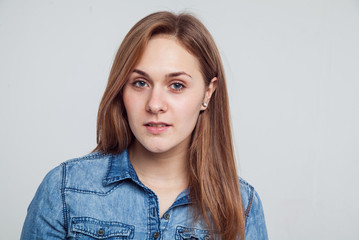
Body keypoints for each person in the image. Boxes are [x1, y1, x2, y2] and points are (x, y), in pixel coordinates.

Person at [21, 11, 268, 240]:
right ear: (121, 89)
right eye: (140, 83)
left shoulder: (242, 206)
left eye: (177, 85)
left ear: (207, 93)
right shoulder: (65, 190)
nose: (155, 104)